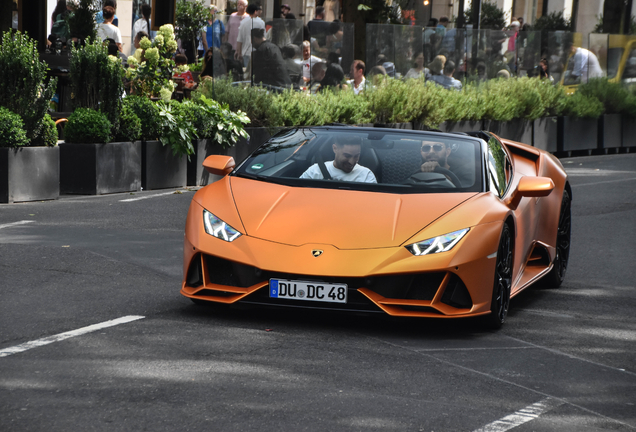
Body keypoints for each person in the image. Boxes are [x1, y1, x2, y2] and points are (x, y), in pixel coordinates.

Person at [300, 136, 377, 183]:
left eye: (356, 156)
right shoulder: (315, 171)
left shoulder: (366, 176)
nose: (352, 162)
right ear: (335, 148)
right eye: (347, 156)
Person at [235, 3, 265, 67]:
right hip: (257, 52)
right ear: (255, 11)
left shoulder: (243, 22)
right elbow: (263, 38)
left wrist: (238, 52)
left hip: (245, 52)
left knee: (247, 72)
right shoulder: (261, 22)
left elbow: (239, 39)